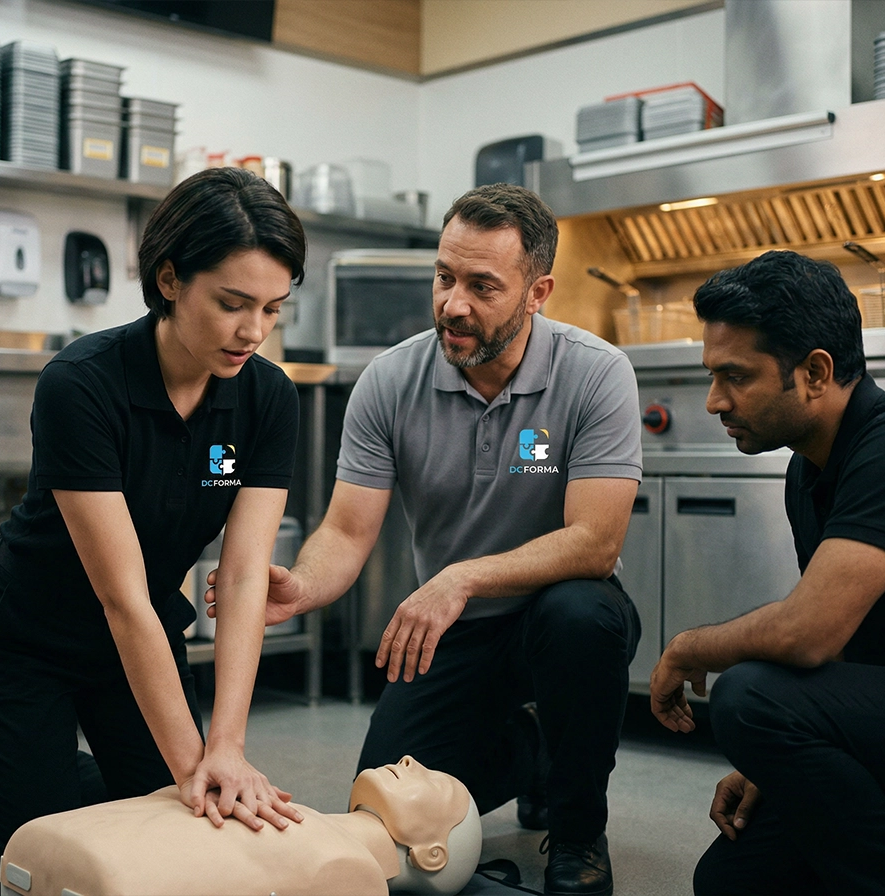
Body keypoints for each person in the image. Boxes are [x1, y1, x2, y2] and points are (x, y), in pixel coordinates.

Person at [207, 183, 642, 896]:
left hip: (555, 616)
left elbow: (594, 542)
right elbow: (347, 530)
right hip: (452, 632)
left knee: (581, 616)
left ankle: (577, 828)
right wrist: (301, 587)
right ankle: (536, 751)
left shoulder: (596, 373)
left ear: (537, 293)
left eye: (482, 286)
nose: (453, 304)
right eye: (444, 277)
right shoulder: (390, 380)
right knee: (388, 810)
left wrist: (460, 576)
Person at [0, 167, 310, 896]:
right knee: (30, 865)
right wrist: (196, 771)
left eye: (273, 308)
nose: (253, 331)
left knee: (172, 836)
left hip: (140, 641)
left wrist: (227, 748)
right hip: (25, 639)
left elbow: (243, 575)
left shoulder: (267, 396)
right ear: (170, 279)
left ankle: (55, 774)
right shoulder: (81, 385)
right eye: (232, 303)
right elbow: (122, 599)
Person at [647, 250, 885, 896]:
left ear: (815, 372)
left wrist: (686, 648)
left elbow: (807, 634)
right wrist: (783, 758)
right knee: (728, 883)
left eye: (736, 376)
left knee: (746, 695)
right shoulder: (806, 469)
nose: (714, 401)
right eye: (712, 376)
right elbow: (840, 640)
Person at [0, 755, 482, 896]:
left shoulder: (350, 871)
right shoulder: (311, 826)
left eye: (435, 782)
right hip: (91, 855)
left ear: (432, 854)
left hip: (89, 866)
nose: (410, 760)